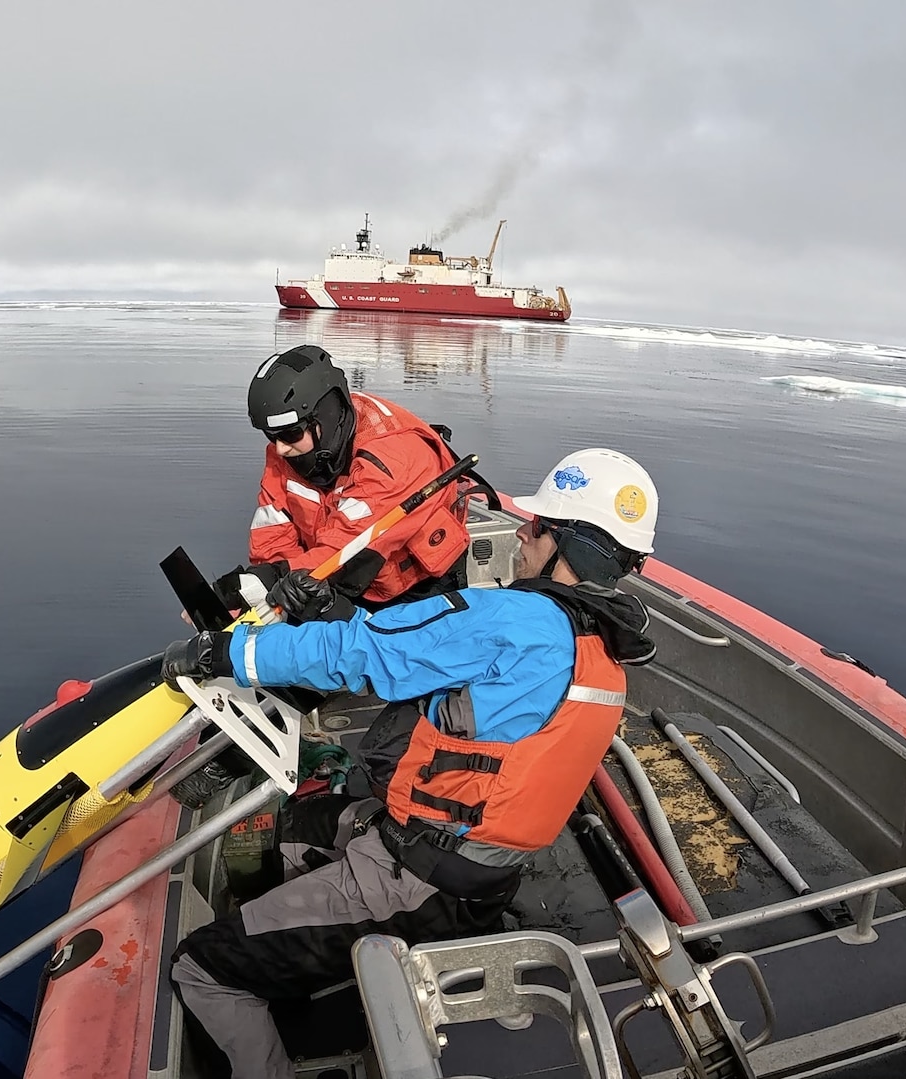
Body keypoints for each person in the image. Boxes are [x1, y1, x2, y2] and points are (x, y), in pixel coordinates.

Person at [164, 448, 662, 1079]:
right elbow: (432, 665)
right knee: (288, 837)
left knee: (202, 967)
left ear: (568, 546)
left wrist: (231, 651)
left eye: (536, 527)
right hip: (474, 871)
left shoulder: (517, 619)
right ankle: (297, 953)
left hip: (416, 879)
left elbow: (366, 656)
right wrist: (347, 618)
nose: (521, 533)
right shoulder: (604, 657)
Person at [215, 345, 473, 615]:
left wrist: (273, 580)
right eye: (271, 435)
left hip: (419, 590)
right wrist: (262, 589)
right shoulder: (290, 450)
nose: (279, 448)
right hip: (333, 578)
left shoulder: (394, 456)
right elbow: (272, 531)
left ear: (324, 418)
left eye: (290, 434)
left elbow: (350, 546)